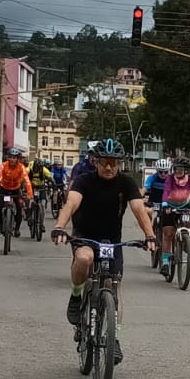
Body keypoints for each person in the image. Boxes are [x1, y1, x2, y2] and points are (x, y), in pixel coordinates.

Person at [51, 139, 158, 364]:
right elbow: (70, 204)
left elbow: (139, 209)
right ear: (95, 162)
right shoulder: (83, 181)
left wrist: (150, 236)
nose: (108, 167)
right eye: (103, 163)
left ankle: (114, 338)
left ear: (119, 163)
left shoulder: (126, 183)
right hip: (85, 236)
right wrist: (60, 227)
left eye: (113, 163)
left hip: (112, 241)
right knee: (84, 258)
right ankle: (76, 294)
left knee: (113, 288)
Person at [155, 157, 190, 271]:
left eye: (181, 169)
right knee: (168, 234)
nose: (178, 172)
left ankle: (185, 242)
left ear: (186, 171)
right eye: (176, 169)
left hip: (184, 206)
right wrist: (164, 204)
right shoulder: (170, 178)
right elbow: (166, 191)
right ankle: (165, 262)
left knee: (187, 224)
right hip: (170, 206)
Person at [0, 147, 32, 231]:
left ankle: (17, 229)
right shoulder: (3, 166)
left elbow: (27, 180)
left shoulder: (21, 167)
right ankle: (0, 224)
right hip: (4, 189)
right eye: (10, 157)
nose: (12, 159)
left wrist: (29, 193)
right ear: (8, 157)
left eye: (14, 157)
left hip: (16, 189)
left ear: (17, 159)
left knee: (19, 208)